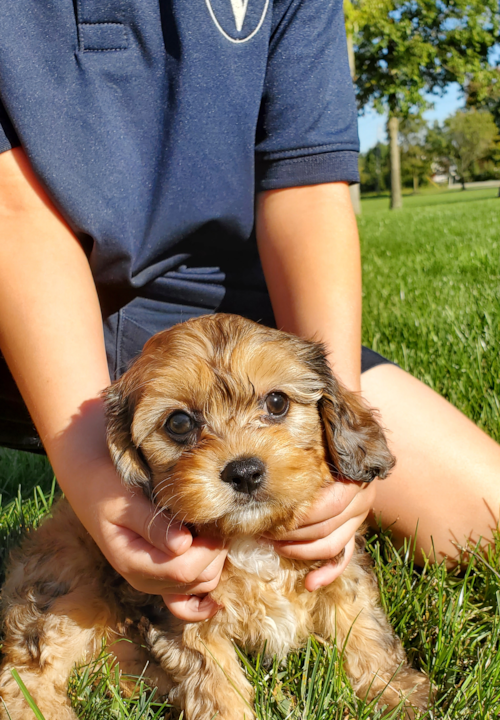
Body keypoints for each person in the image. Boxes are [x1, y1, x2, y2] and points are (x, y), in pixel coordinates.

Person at [0, 0, 498, 627]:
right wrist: (89, 469)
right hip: (33, 307)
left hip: (233, 322)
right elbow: (12, 216)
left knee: (484, 519)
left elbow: (309, 187)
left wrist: (334, 432)